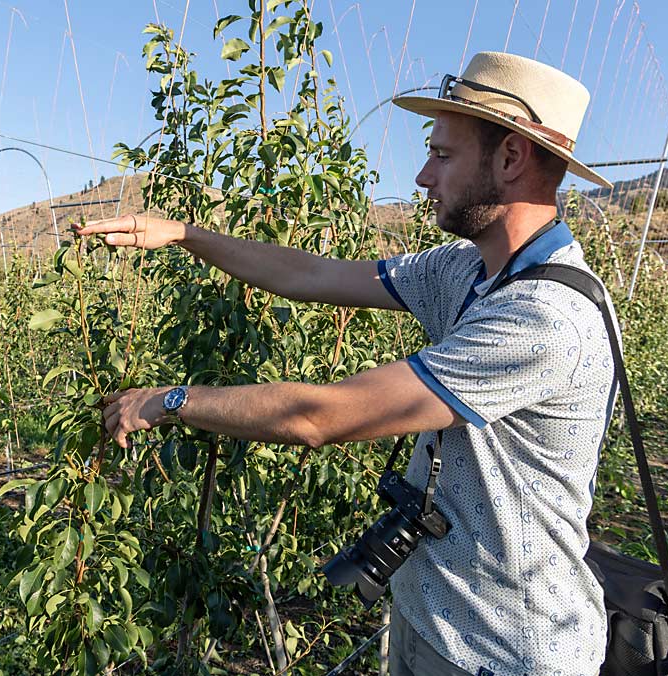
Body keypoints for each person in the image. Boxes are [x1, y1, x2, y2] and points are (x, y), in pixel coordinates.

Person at [75, 51, 617, 676]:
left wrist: (169, 401)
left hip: (506, 646)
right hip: (431, 611)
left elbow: (322, 415)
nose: (421, 176)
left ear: (511, 159)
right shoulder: (464, 270)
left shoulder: (544, 318)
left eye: (441, 155)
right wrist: (186, 235)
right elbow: (311, 273)